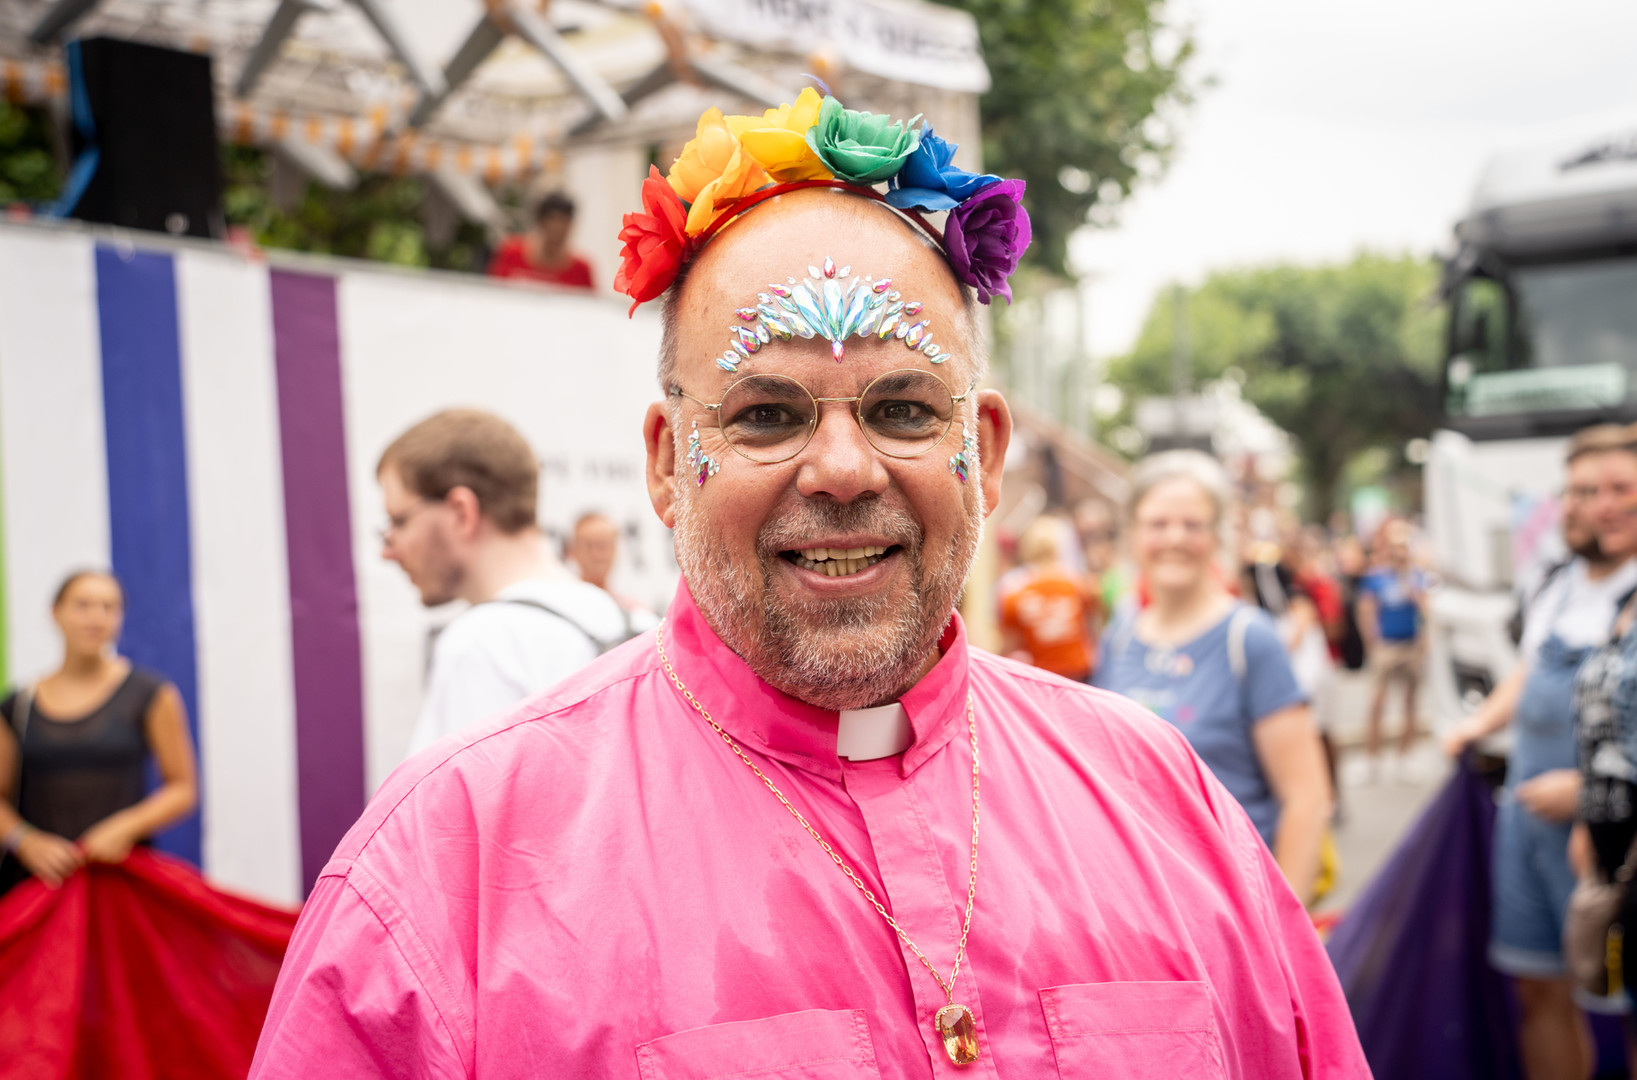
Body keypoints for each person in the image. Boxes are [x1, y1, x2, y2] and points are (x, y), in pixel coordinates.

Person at [251, 94, 1367, 1077]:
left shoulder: (1160, 803)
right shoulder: (451, 870)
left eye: (900, 410)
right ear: (663, 465)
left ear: (978, 445)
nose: (841, 469)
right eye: (767, 416)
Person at [1445, 424, 1637, 1080]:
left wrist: (1588, 798)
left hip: (1611, 836)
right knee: (1536, 987)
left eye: (1617, 488)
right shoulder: (1553, 583)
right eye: (1583, 490)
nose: (1599, 504)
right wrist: (1474, 728)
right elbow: (1524, 677)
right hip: (1526, 824)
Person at [1095, 451, 1333, 904]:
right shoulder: (1119, 638)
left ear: (1217, 535)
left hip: (1234, 909)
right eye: (1158, 524)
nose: (1174, 538)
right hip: (1144, 910)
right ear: (1134, 534)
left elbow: (1307, 798)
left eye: (1192, 524)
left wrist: (1279, 931)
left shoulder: (1249, 640)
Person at [378, 409, 629, 757]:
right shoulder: (628, 621)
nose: (387, 550)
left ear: (460, 512)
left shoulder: (482, 646)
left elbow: (454, 810)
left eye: (399, 521)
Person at [0, 570, 197, 894]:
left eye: (109, 607)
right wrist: (26, 841)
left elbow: (182, 788)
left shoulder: (151, 693)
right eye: (83, 605)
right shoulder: (18, 705)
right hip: (38, 886)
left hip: (121, 883)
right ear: (56, 612)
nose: (97, 617)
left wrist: (124, 828)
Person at [1357, 519, 1431, 776]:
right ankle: (1372, 758)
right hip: (1386, 646)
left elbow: (1427, 611)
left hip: (1411, 645)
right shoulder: (1376, 578)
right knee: (1377, 702)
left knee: (1410, 701)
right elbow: (1366, 610)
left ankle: (1405, 756)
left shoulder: (1417, 577)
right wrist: (1372, 642)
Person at [998, 516, 1101, 681]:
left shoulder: (1015, 595)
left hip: (1042, 674)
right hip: (1080, 671)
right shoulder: (1078, 585)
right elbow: (1094, 626)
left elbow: (1010, 644)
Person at [487, 192, 595, 288]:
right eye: (553, 220)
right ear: (541, 222)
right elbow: (494, 293)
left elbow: (590, 306)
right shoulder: (511, 252)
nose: (558, 229)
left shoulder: (581, 269)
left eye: (565, 222)